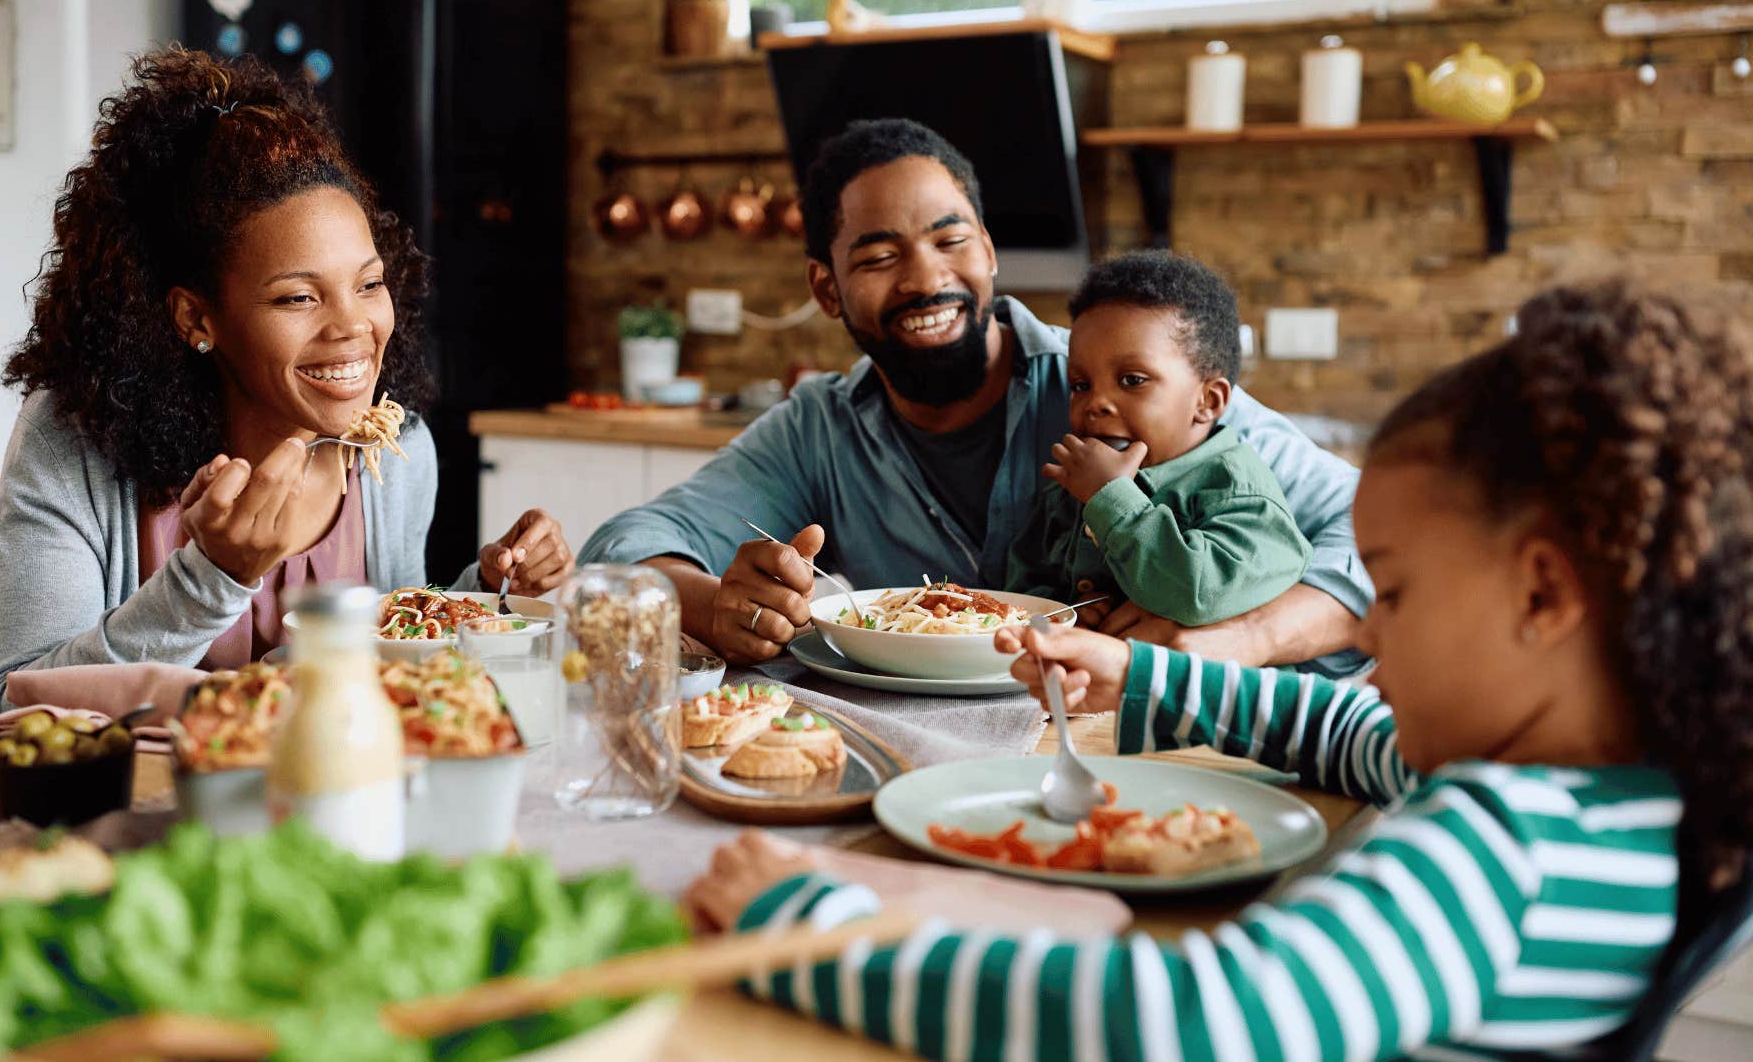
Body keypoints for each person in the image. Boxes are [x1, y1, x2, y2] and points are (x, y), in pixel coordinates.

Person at [686, 280, 1753, 1060]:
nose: (1368, 631)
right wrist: (1142, 680)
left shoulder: (1494, 848)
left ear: (1543, 595)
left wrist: (806, 936)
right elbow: (1345, 736)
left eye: (1396, 591)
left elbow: (1182, 1021)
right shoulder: (1620, 788)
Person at [580, 118, 1368, 674]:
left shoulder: (1115, 388)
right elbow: (623, 546)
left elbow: (1368, 530)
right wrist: (716, 601)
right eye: (881, 255)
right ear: (827, 288)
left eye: (952, 241)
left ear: (989, 253)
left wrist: (1245, 637)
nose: (927, 278)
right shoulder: (816, 431)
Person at [0, 51, 572, 723]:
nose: (354, 327)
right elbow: (3, 705)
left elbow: (392, 664)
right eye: (297, 298)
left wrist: (488, 591)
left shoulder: (395, 454)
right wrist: (211, 579)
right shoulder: (71, 442)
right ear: (196, 317)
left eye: (369, 284)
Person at [1006, 250, 1311, 638]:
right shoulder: (1073, 484)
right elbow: (1022, 584)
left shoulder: (1237, 492)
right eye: (1081, 385)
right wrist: (1064, 613)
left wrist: (1110, 498)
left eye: (1132, 380)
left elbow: (1198, 594)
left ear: (1208, 401)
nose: (1096, 403)